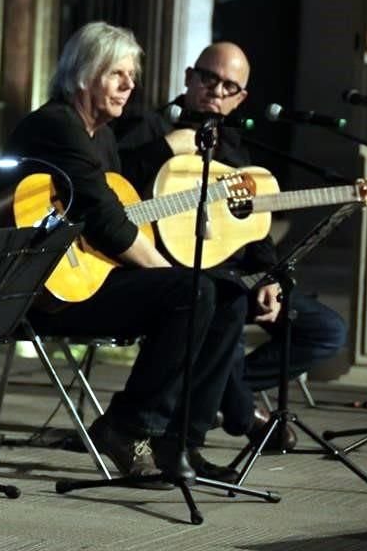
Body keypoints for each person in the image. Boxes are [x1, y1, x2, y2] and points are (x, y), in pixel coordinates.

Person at [0, 22, 245, 484]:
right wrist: (171, 270)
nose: (130, 84)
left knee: (229, 297)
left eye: (132, 74)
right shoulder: (57, 126)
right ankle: (129, 428)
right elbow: (106, 223)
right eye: (118, 74)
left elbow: (117, 207)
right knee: (192, 293)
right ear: (85, 74)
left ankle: (181, 444)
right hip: (48, 293)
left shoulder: (101, 135)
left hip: (94, 279)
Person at [112, 41, 348, 448]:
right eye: (209, 79)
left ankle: (215, 389)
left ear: (241, 98)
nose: (217, 92)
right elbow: (113, 188)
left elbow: (253, 228)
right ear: (189, 78)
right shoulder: (146, 128)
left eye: (229, 87)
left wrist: (273, 278)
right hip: (176, 279)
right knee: (224, 307)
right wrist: (167, 149)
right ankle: (241, 411)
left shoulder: (238, 153)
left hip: (239, 274)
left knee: (326, 330)